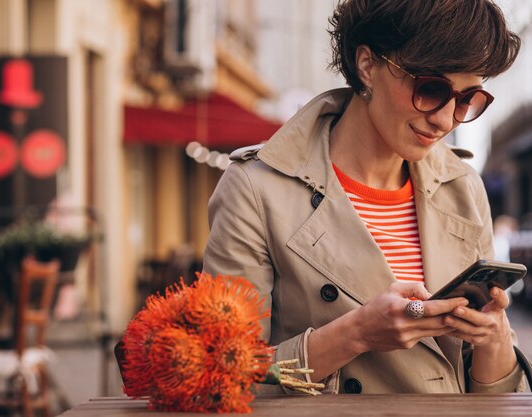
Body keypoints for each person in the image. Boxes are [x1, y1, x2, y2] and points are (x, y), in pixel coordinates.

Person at [203, 0, 531, 394]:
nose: (446, 120)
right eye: (430, 89)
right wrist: (355, 334)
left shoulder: (462, 186)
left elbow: (491, 396)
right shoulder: (257, 189)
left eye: (466, 100)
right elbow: (223, 376)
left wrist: (493, 337)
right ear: (367, 65)